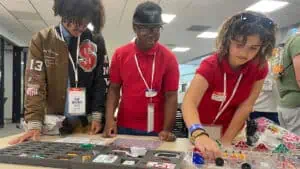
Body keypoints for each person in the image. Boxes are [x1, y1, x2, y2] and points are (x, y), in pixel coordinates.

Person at [9, 0, 109, 144]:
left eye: (85, 22)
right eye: (75, 21)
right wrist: (34, 124)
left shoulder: (96, 40)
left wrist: (97, 116)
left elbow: (101, 81)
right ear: (63, 13)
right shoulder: (42, 40)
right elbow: (34, 85)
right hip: (52, 126)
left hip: (86, 125)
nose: (80, 27)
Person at [182, 11, 276, 159]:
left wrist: (226, 141)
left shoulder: (259, 67)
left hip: (232, 131)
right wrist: (198, 132)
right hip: (199, 127)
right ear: (227, 41)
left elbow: (246, 105)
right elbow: (189, 102)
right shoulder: (210, 65)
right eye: (239, 45)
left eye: (253, 48)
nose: (245, 54)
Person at [103, 1, 179, 141]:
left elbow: (171, 96)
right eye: (146, 29)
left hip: (156, 130)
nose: (152, 34)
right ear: (135, 28)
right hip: (124, 126)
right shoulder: (121, 54)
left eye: (156, 29)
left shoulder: (169, 58)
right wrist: (109, 120)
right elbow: (114, 89)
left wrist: (167, 129)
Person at [276, 27, 300, 135]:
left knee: (291, 145)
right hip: (296, 106)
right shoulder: (297, 42)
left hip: (286, 104)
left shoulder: (287, 43)